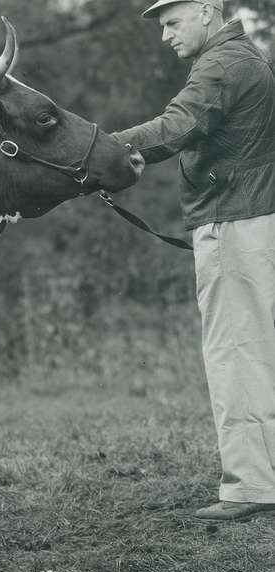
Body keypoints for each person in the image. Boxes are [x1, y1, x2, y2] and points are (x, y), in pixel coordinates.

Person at [114, 0, 275, 520]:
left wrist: (101, 149)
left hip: (235, 224)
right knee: (255, 350)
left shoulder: (222, 63)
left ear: (207, 11)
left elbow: (177, 125)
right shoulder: (247, 58)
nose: (165, 36)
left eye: (172, 23)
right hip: (248, 218)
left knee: (235, 353)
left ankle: (251, 488)